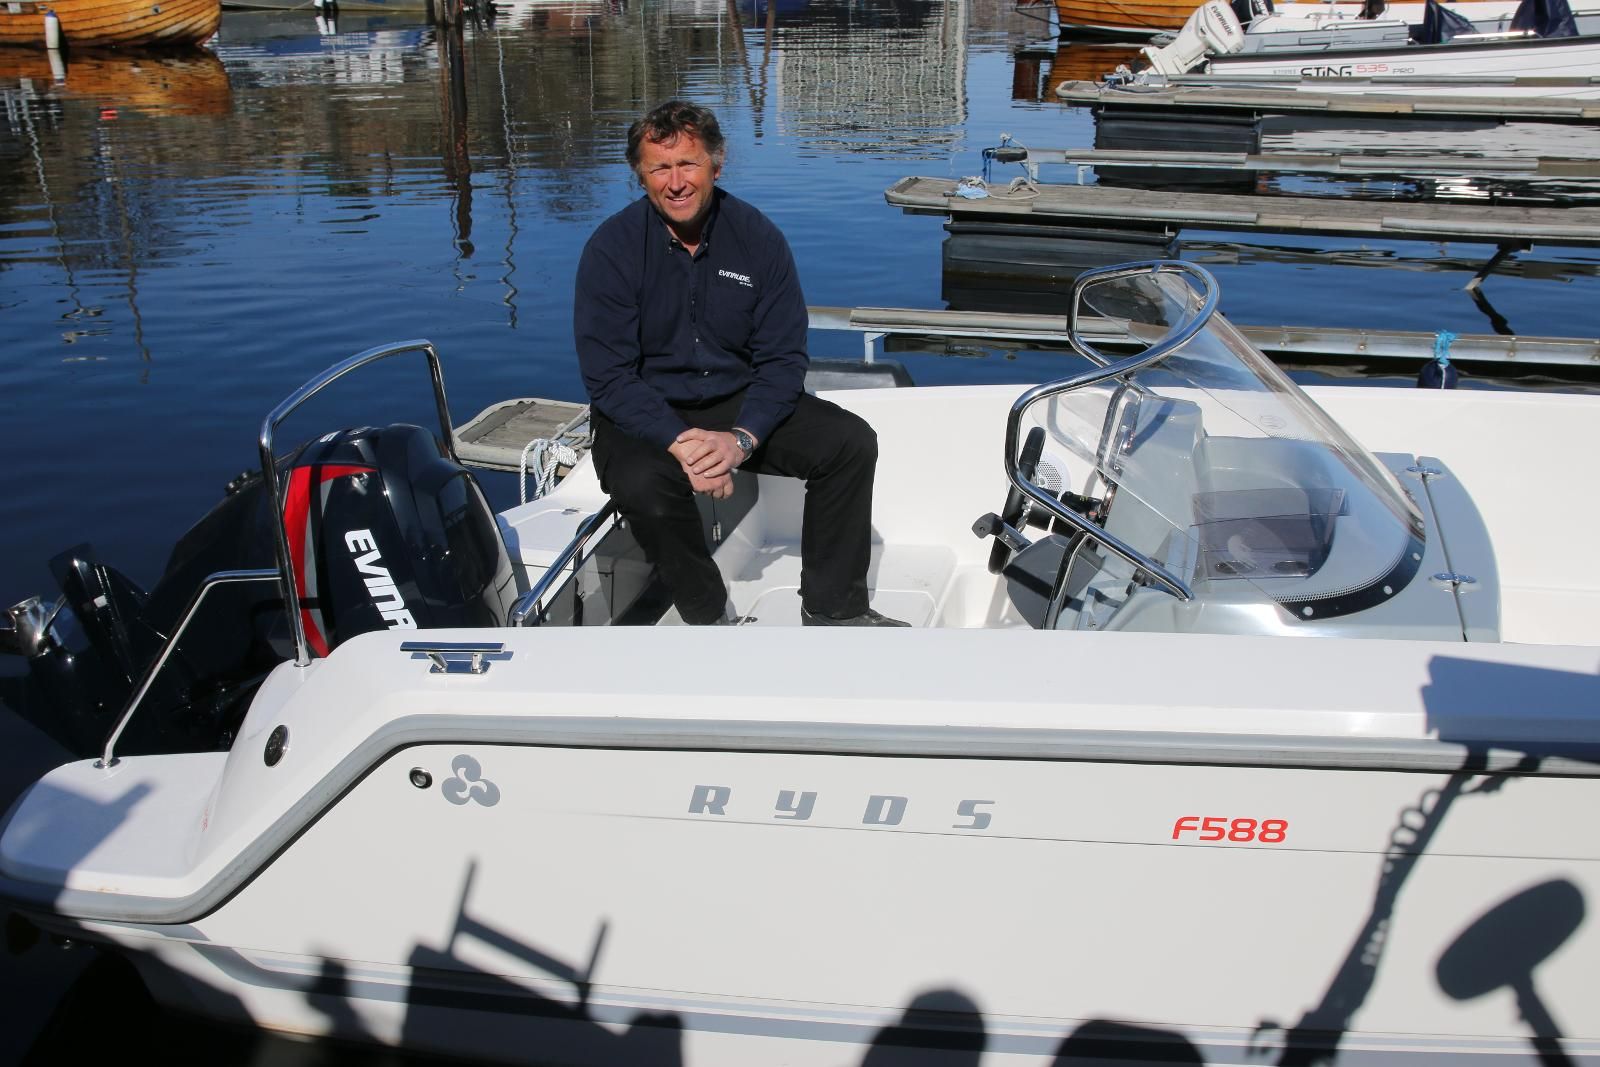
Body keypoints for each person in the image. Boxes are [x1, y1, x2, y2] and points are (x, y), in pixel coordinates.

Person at [573, 100, 907, 627]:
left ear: (716, 163)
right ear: (640, 175)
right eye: (660, 168)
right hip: (644, 409)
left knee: (849, 443)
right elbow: (608, 376)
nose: (676, 182)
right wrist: (681, 444)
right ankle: (708, 617)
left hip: (735, 399)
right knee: (642, 486)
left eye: (689, 164)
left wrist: (741, 440)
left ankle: (834, 610)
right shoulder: (611, 249)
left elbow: (783, 359)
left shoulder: (757, 238)